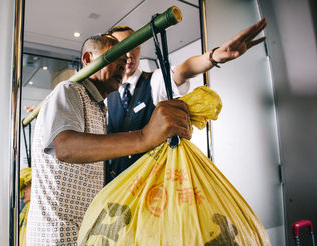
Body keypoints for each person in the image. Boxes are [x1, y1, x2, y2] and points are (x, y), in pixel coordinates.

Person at [26, 34, 191, 246]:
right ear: (87, 58)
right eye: (114, 58)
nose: (123, 65)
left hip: (83, 238)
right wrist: (145, 136)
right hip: (59, 242)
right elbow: (65, 146)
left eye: (125, 61)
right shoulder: (68, 90)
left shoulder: (99, 107)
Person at [105, 18, 267, 182]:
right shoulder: (108, 94)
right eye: (122, 47)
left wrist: (213, 56)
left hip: (152, 181)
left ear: (139, 47)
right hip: (117, 182)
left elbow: (183, 70)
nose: (129, 54)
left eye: (133, 45)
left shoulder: (155, 80)